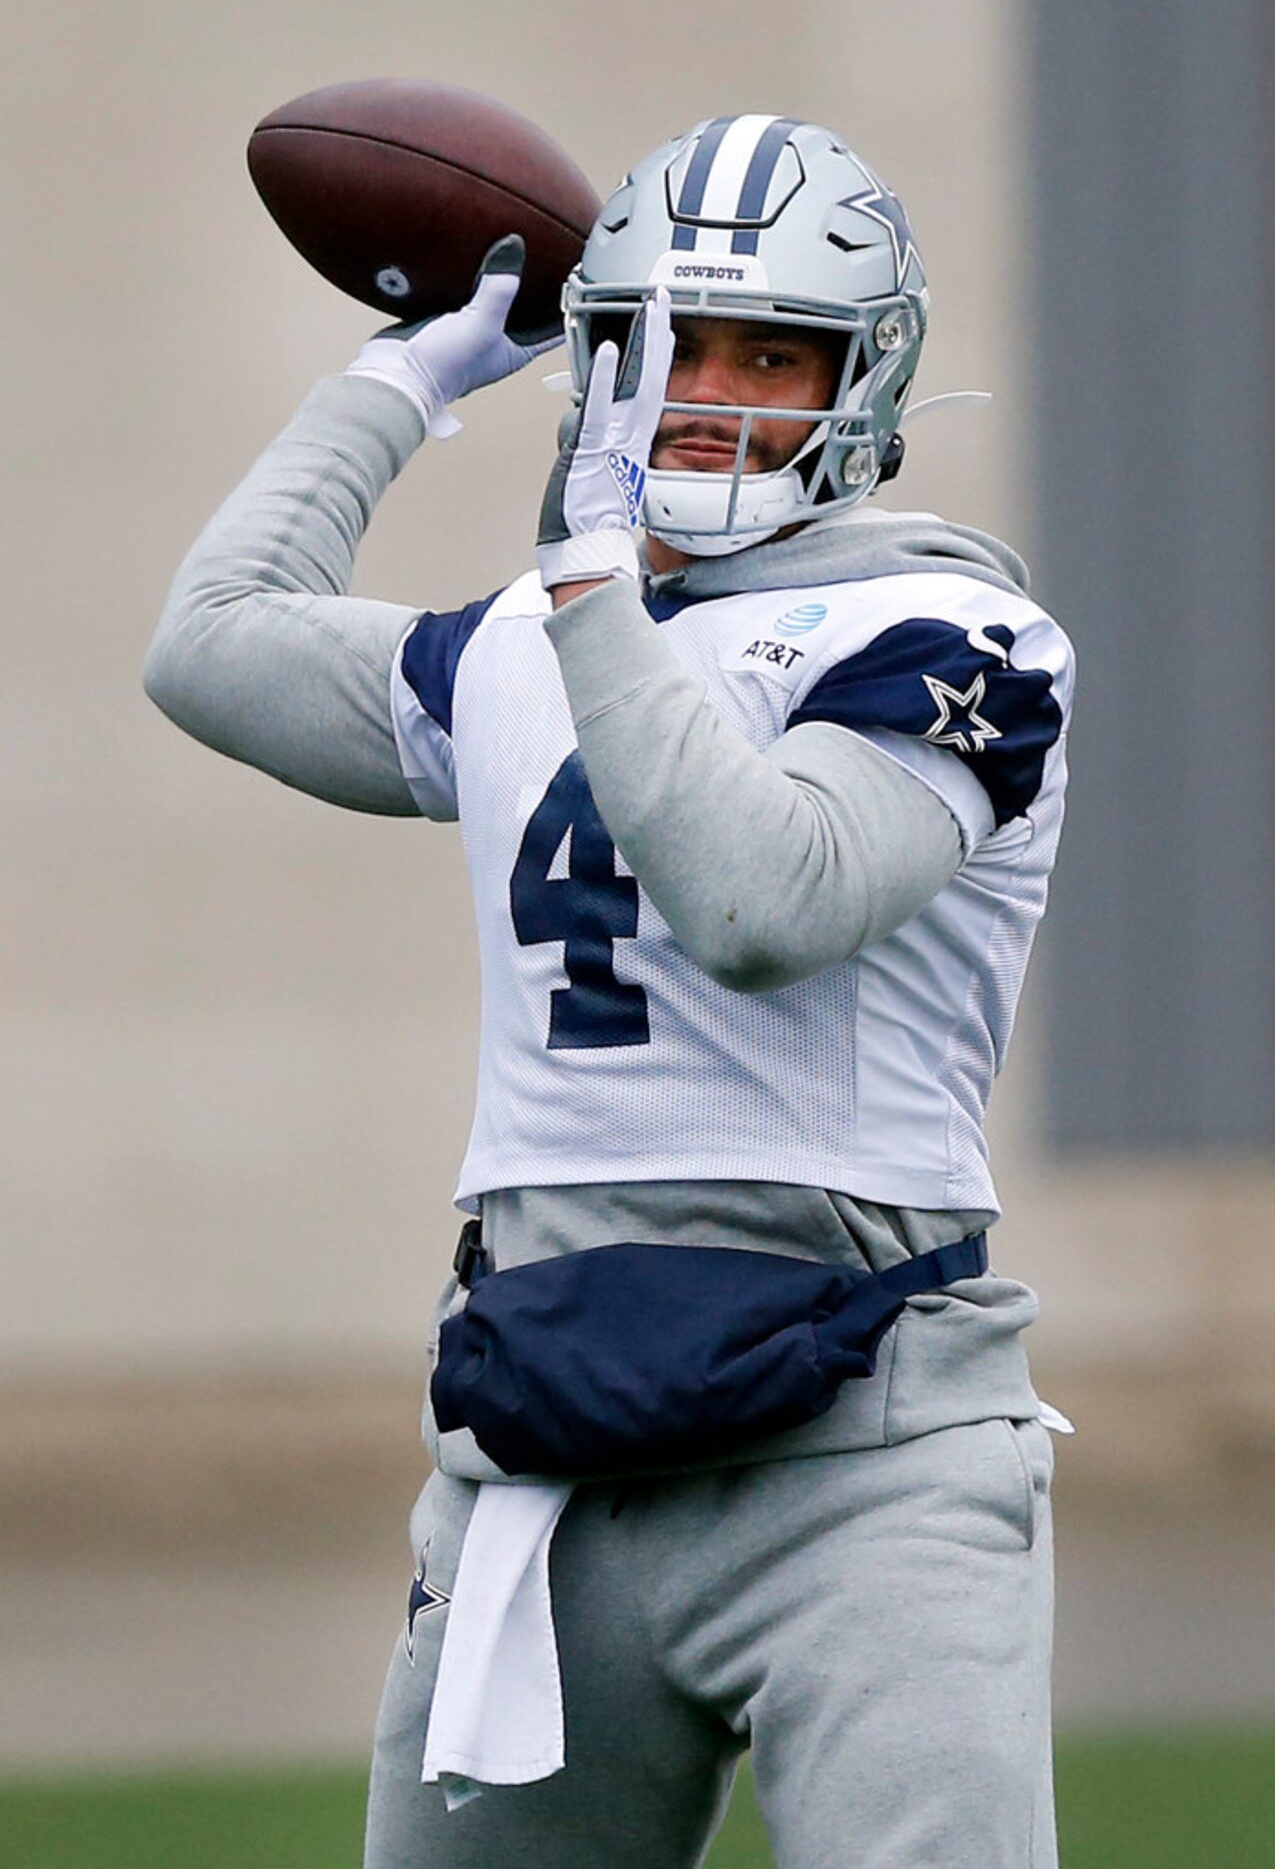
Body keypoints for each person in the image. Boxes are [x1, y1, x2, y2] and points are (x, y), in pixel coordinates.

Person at [146, 113, 1073, 1869]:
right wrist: (395, 384)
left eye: (772, 353)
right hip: (544, 1454)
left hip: (863, 1445)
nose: (710, 394)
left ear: (860, 381)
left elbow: (758, 899)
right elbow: (208, 640)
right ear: (600, 358)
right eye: (668, 344)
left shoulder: (956, 631)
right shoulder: (513, 641)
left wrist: (588, 583)